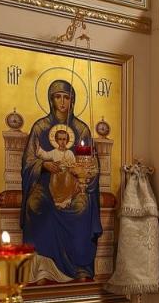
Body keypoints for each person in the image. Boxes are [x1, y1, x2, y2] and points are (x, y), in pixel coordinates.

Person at [21, 79, 101, 283]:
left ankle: (81, 267)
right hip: (45, 186)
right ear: (51, 100)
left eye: (67, 97)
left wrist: (83, 174)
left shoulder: (81, 130)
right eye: (58, 97)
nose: (63, 101)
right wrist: (43, 165)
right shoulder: (40, 127)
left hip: (73, 187)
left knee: (82, 206)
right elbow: (29, 161)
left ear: (72, 101)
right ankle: (42, 269)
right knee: (35, 204)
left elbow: (92, 165)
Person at [35, 128, 78, 209]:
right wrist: (37, 148)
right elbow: (45, 155)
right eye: (60, 139)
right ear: (56, 140)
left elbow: (74, 165)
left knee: (68, 181)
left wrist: (71, 168)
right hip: (56, 176)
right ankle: (58, 203)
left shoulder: (70, 153)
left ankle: (67, 202)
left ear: (67, 140)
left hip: (67, 177)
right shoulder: (54, 152)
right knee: (55, 185)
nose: (62, 141)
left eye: (64, 139)